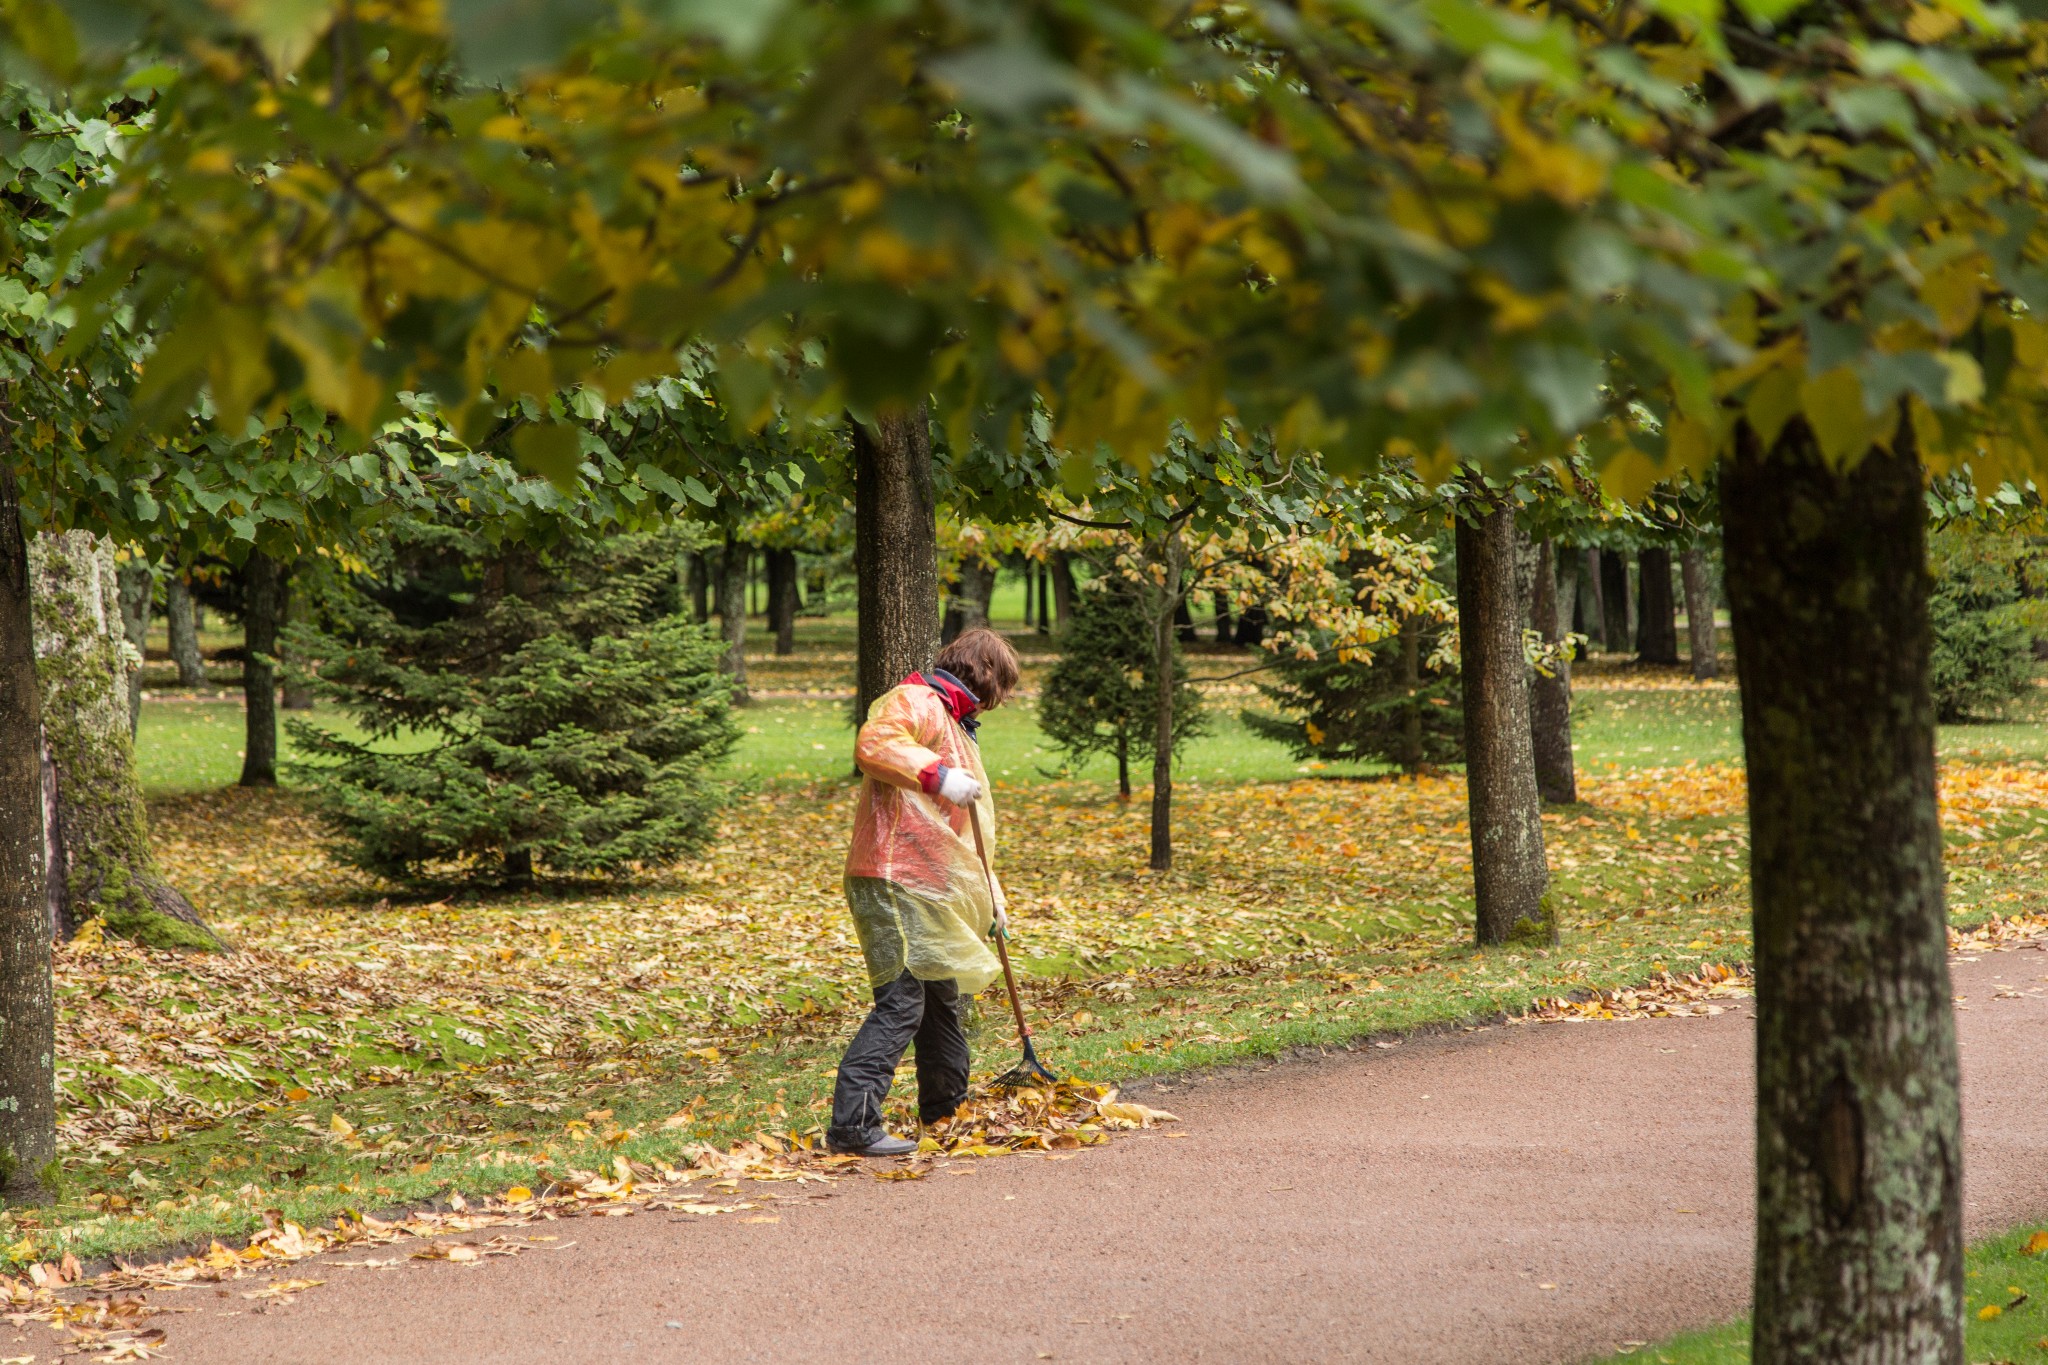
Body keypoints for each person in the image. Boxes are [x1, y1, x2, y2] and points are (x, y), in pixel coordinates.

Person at [827, 627, 1021, 1156]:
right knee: (904, 999)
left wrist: (991, 896)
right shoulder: (915, 699)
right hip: (891, 874)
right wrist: (935, 775)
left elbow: (966, 831)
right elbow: (874, 745)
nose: (999, 700)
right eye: (1001, 687)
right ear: (986, 675)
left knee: (941, 999)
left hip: (929, 882)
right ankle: (853, 1126)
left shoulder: (958, 725)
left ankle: (946, 1112)